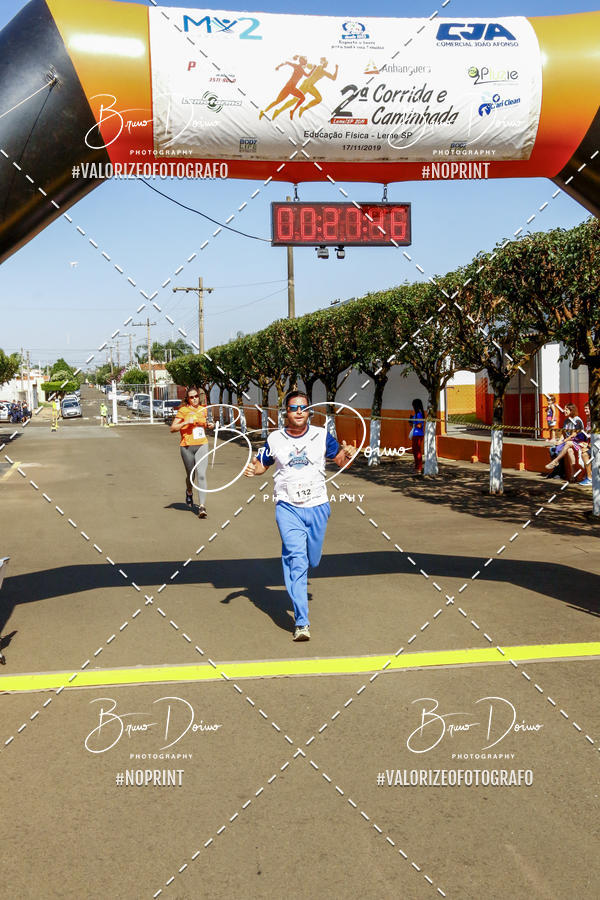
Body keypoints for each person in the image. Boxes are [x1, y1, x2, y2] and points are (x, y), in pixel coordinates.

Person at [244, 390, 357, 641]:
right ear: (286, 411)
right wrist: (255, 469)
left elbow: (339, 460)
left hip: (317, 506)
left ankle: (304, 569)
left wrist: (347, 454)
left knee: (312, 560)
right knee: (297, 560)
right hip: (287, 507)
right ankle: (302, 622)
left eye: (303, 408)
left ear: (309, 411)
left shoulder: (321, 436)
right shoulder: (275, 439)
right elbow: (263, 464)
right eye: (294, 407)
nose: (298, 412)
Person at [170, 386, 215, 518]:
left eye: (196, 396)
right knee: (191, 475)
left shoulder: (203, 409)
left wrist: (210, 425)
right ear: (188, 399)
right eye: (192, 397)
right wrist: (186, 422)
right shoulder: (183, 410)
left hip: (202, 445)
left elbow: (207, 423)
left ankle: (201, 507)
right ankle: (189, 491)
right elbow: (173, 428)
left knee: (201, 475)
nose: (195, 399)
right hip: (187, 447)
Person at [409, 399, 425, 474]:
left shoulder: (419, 414)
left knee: (417, 452)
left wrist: (414, 422)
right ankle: (416, 467)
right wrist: (411, 421)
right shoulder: (416, 414)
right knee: (415, 451)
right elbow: (413, 425)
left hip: (418, 435)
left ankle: (419, 468)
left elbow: (419, 425)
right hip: (415, 434)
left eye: (413, 405)